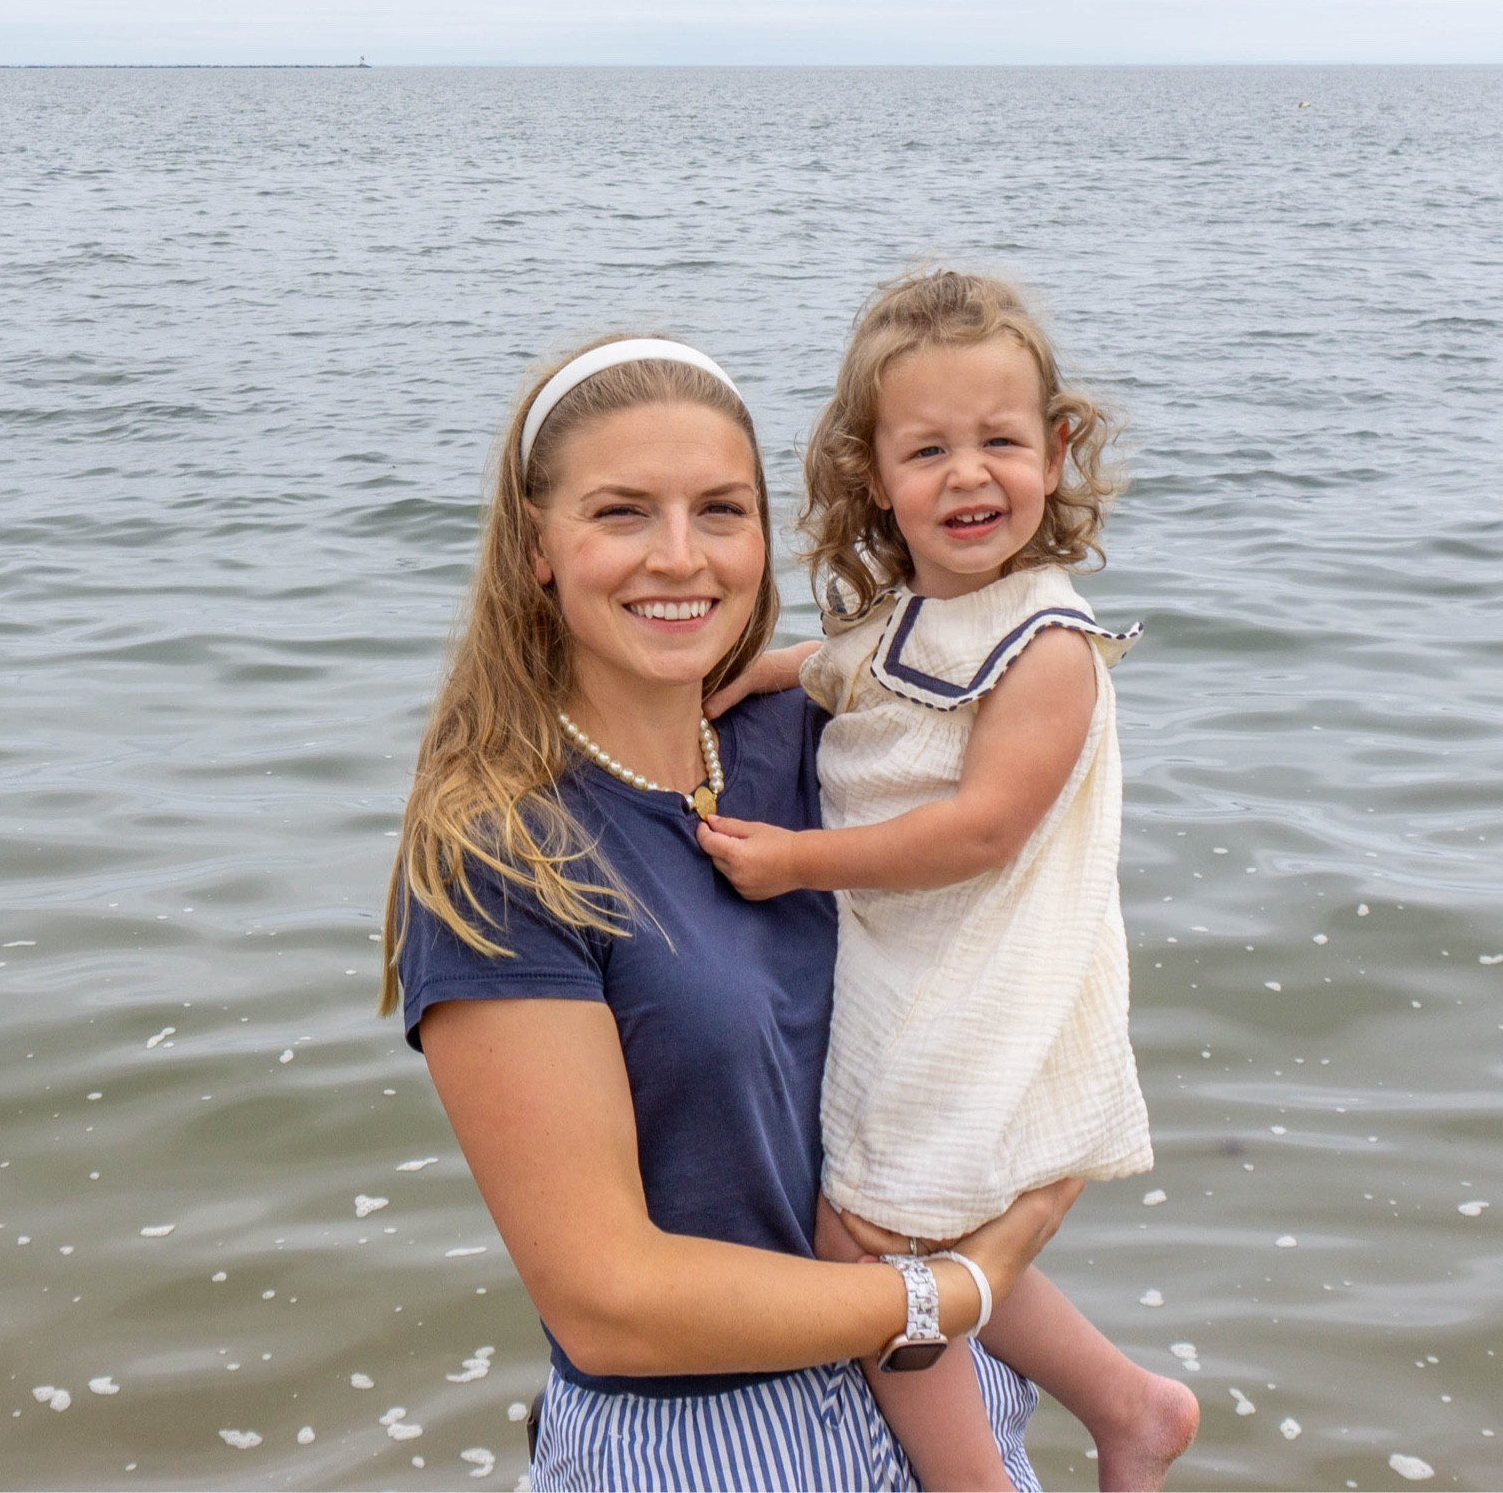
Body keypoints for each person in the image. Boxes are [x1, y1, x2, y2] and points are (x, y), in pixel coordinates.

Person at [380, 334, 1081, 1492]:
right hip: (706, 1444)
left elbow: (1011, 831)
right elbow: (609, 1301)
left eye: (720, 509)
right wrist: (951, 1287)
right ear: (537, 545)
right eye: (619, 512)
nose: (678, 556)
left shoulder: (809, 744)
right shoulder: (503, 849)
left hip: (951, 1397)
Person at [700, 272, 1199, 1490]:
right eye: (926, 448)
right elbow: (855, 665)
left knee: (868, 1237)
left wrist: (793, 863)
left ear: (1055, 446)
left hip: (979, 969)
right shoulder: (908, 613)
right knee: (920, 1229)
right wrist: (748, 673)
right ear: (873, 473)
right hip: (897, 959)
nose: (967, 474)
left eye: (1000, 440)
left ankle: (973, 1478)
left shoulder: (1049, 644)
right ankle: (1125, 1402)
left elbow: (979, 829)